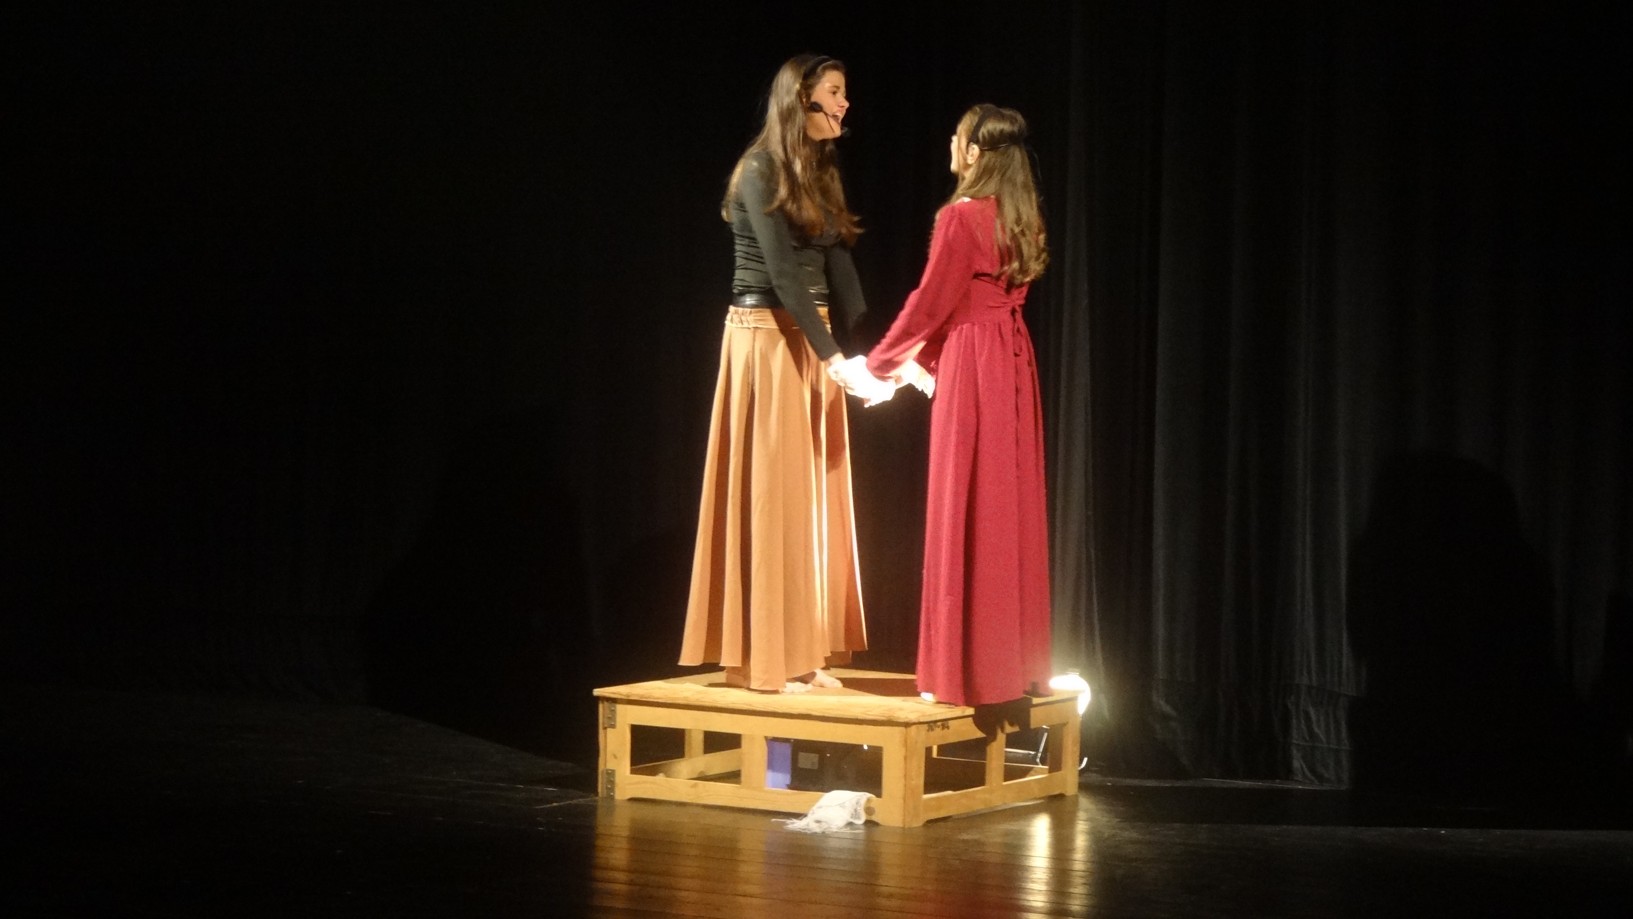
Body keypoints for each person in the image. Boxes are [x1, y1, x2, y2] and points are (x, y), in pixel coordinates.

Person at [678, 54, 890, 694]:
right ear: (801, 99)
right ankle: (764, 660)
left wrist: (875, 351)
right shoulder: (759, 169)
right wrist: (835, 358)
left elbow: (838, 266)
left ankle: (804, 652)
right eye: (835, 92)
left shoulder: (819, 170)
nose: (845, 104)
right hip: (767, 341)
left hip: (810, 341)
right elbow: (781, 275)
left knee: (811, 503)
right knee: (775, 502)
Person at [859, 104, 1053, 707]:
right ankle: (1008, 665)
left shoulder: (961, 216)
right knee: (1005, 508)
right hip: (1012, 363)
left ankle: (960, 671)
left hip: (975, 367)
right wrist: (916, 364)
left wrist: (881, 363)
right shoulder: (1021, 217)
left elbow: (931, 303)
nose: (951, 141)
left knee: (964, 502)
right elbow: (972, 303)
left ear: (972, 153)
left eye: (959, 136)